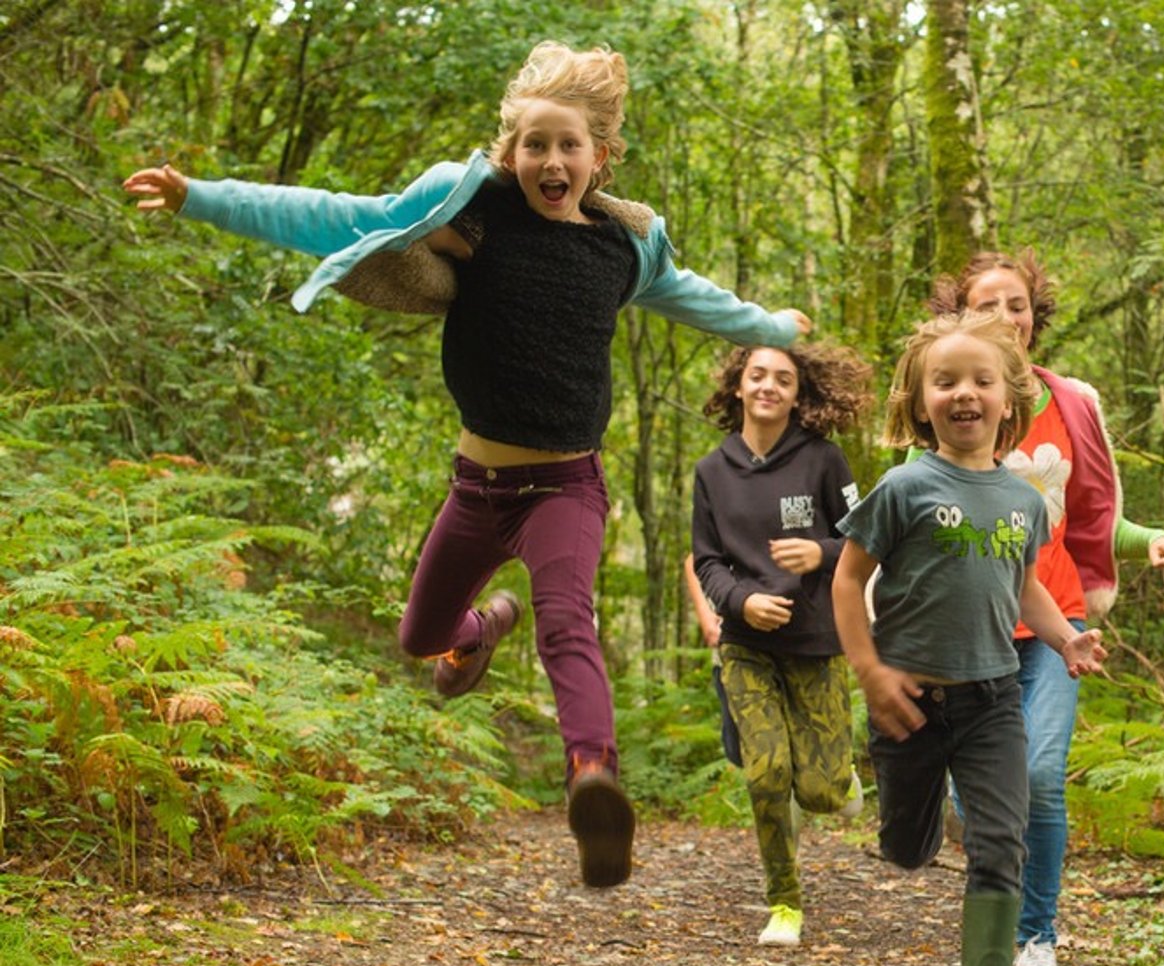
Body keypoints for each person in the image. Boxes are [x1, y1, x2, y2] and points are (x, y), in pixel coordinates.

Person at [124, 42, 810, 890]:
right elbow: (332, 215)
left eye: (569, 145)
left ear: (601, 154)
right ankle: (482, 628)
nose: (550, 161)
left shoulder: (625, 248)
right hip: (477, 486)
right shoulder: (472, 212)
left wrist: (774, 328)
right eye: (534, 144)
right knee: (421, 637)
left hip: (565, 484)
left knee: (570, 620)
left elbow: (710, 302)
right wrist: (201, 198)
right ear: (509, 151)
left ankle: (592, 779)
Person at [833, 311, 1107, 966]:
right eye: (945, 381)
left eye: (981, 380)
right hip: (910, 703)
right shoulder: (902, 486)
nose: (964, 393)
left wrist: (1065, 637)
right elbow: (848, 576)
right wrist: (870, 671)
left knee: (1001, 838)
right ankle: (911, 829)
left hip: (993, 698)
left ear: (1007, 400)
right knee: (907, 848)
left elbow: (1022, 588)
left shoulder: (1023, 500)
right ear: (920, 401)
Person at [927, 249, 1164, 966]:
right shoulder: (951, 397)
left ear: (1034, 315)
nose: (1006, 319)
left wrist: (1153, 543)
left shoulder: (1070, 403)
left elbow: (1092, 518)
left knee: (1041, 774)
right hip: (968, 626)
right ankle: (998, 906)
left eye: (1017, 304)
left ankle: (1036, 937)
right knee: (975, 797)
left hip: (1055, 621)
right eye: (988, 305)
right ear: (962, 319)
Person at [691, 343, 871, 946]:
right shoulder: (711, 471)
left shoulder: (824, 461)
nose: (769, 386)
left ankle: (840, 777)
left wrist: (820, 550)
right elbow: (707, 560)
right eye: (758, 375)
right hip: (745, 645)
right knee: (766, 773)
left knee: (819, 791)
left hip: (816, 640)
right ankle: (784, 905)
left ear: (799, 394)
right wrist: (740, 602)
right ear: (738, 386)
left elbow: (865, 539)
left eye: (784, 379)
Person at [682, 553, 742, 769]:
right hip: (728, 653)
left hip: (794, 645)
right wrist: (705, 613)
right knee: (740, 750)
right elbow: (693, 557)